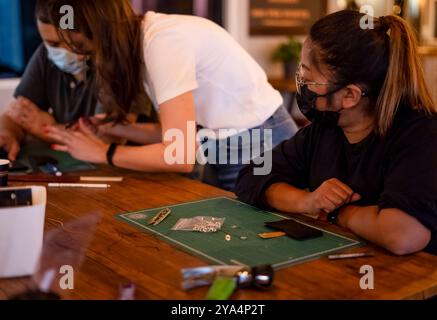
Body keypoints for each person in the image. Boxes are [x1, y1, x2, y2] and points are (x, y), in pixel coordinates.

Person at [236, 11, 437, 256]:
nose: (303, 86)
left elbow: (403, 234)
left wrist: (337, 213)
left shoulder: (420, 134)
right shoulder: (324, 131)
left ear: (350, 95)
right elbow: (250, 176)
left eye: (309, 79)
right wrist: (307, 201)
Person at [44, 0, 298, 191]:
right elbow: (178, 136)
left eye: (82, 48)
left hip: (260, 143)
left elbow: (179, 155)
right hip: (224, 143)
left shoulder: (163, 43)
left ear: (99, 33)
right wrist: (118, 129)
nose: (84, 58)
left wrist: (102, 153)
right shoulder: (146, 41)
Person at [0, 0, 150, 162]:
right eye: (53, 44)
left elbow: (108, 138)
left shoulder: (118, 61)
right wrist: (7, 134)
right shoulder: (46, 56)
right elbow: (18, 113)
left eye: (75, 43)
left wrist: (47, 129)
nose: (71, 51)